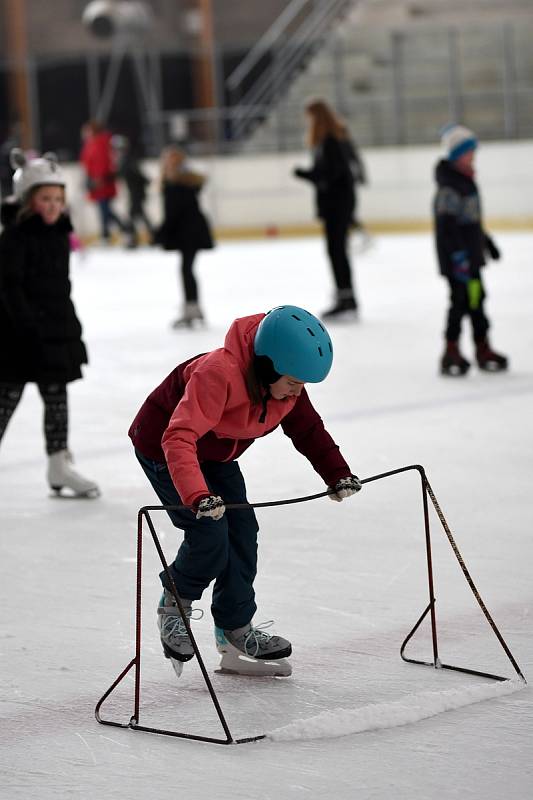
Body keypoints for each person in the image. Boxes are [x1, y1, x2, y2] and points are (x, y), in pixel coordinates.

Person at [128, 305, 361, 678]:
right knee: (209, 534)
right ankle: (175, 605)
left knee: (242, 533)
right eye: (293, 381)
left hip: (217, 452)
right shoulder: (218, 374)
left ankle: (234, 630)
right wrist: (197, 496)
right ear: (268, 365)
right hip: (167, 446)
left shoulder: (288, 390)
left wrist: (337, 473)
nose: (298, 392)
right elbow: (179, 436)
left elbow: (308, 430)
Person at [0, 149, 99, 497]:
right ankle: (58, 462)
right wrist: (26, 328)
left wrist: (67, 325)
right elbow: (8, 286)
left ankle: (58, 464)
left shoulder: (58, 234)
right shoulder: (14, 237)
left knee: (56, 396)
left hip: (55, 329)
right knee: (6, 396)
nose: (54, 205)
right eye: (45, 198)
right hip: (19, 332)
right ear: (28, 200)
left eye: (58, 198)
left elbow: (60, 286)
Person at [434, 124, 508, 376]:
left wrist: (486, 243)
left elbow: (471, 222)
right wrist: (458, 256)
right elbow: (447, 228)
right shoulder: (450, 188)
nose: (473, 157)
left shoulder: (466, 182)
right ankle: (450, 350)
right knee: (459, 302)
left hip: (471, 260)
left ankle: (482, 347)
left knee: (477, 301)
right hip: (458, 262)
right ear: (456, 155)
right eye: (469, 152)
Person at [293, 99, 360, 318]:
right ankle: (345, 296)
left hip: (337, 205)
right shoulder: (331, 140)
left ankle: (346, 297)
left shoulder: (331, 142)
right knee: (336, 250)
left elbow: (332, 176)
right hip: (337, 204)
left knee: (336, 250)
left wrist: (306, 174)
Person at [154, 144, 214, 328]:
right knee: (187, 269)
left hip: (189, 233)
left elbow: (174, 214)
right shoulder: (182, 183)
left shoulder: (176, 185)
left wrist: (159, 233)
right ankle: (193, 307)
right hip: (191, 231)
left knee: (186, 270)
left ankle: (192, 309)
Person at [79, 120, 133, 246]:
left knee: (106, 210)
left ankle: (118, 232)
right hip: (97, 181)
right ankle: (109, 234)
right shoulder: (92, 143)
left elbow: (102, 163)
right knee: (104, 210)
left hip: (102, 182)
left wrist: (99, 179)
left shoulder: (99, 143)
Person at [112, 135, 154, 247]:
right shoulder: (125, 159)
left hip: (136, 193)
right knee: (139, 215)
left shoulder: (127, 160)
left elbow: (135, 175)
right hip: (134, 193)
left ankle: (133, 239)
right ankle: (151, 236)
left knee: (132, 216)